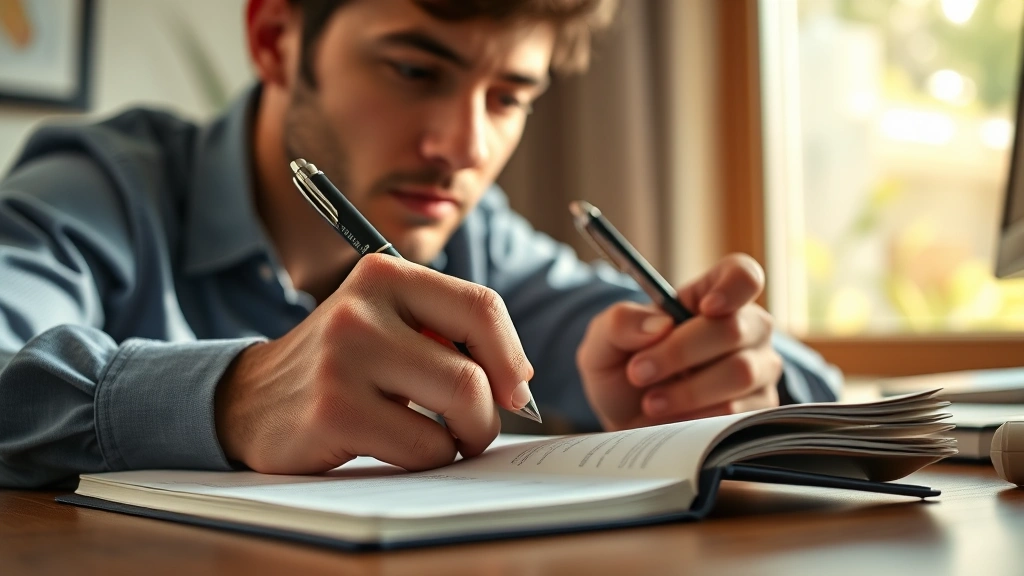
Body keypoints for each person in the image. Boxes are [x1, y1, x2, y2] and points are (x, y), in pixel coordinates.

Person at [0, 0, 840, 489]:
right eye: (415, 71)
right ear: (274, 39)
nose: (464, 146)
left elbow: (816, 388)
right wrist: (234, 395)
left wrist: (702, 373)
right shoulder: (104, 187)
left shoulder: (473, 241)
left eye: (508, 97)